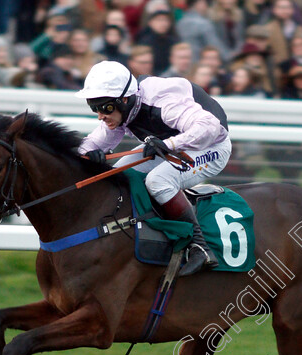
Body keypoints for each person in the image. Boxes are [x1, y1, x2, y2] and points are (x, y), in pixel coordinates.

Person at [76, 61, 231, 275]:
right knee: (118, 176)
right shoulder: (125, 109)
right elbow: (94, 142)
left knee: (158, 181)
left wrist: (168, 144)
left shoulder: (162, 100)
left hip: (211, 145)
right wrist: (86, 154)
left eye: (105, 108)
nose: (100, 115)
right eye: (94, 108)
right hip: (171, 145)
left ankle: (199, 247)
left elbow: (209, 127)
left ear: (124, 99)